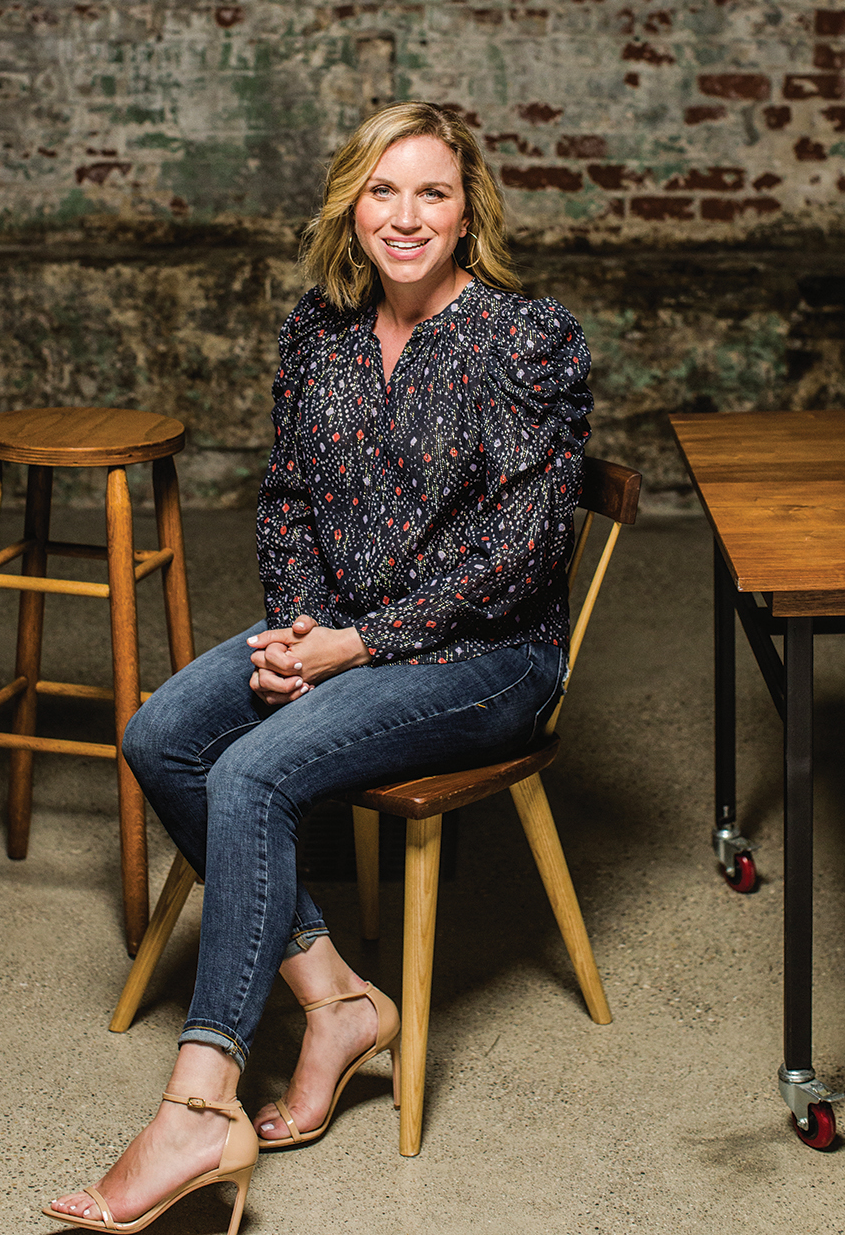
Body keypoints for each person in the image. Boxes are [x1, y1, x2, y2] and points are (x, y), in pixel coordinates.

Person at [44, 101, 593, 1231]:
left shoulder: (529, 339)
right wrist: (302, 631)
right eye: (382, 191)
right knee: (161, 735)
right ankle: (336, 1000)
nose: (405, 216)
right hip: (336, 629)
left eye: (431, 192)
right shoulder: (321, 330)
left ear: (467, 210)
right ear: (351, 205)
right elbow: (287, 500)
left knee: (251, 776)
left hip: (488, 656)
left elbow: (525, 550)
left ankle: (198, 1111)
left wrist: (360, 645)